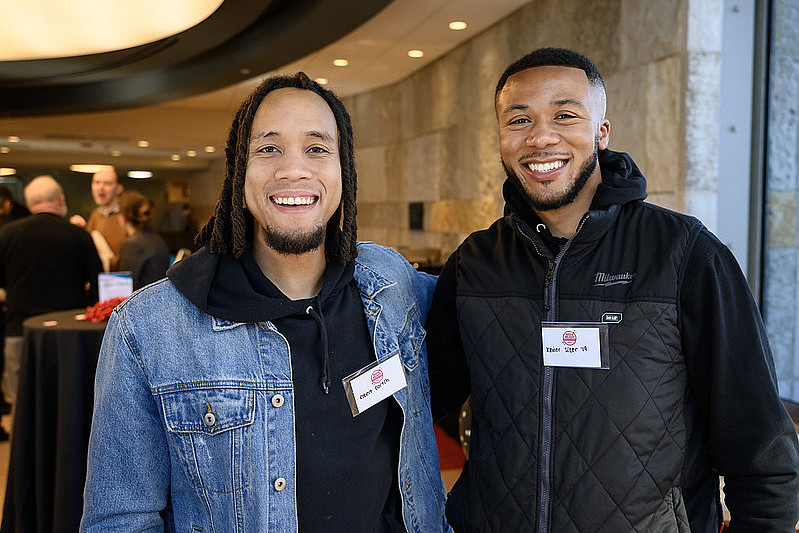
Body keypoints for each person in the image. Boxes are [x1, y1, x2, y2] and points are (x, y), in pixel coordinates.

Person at [425, 47, 799, 531]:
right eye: (519, 120)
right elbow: (420, 401)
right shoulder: (475, 264)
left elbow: (760, 444)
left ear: (601, 133)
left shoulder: (684, 254)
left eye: (564, 115)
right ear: (501, 138)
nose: (540, 137)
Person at [82, 72, 449, 532]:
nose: (293, 170)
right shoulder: (149, 329)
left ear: (344, 171)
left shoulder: (390, 283)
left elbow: (483, 323)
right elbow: (121, 520)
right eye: (269, 148)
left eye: (316, 149)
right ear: (239, 171)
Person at [0, 176, 102, 407]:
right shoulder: (78, 235)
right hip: (71, 337)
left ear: (29, 203)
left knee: (23, 406)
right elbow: (98, 285)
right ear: (61, 199)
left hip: (20, 331)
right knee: (70, 403)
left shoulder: (8, 234)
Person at [71, 167, 126, 271]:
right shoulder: (95, 215)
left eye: (107, 183)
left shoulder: (126, 216)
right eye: (97, 183)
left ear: (118, 188)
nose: (101, 187)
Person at [117, 190, 170, 290]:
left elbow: (124, 288)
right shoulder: (157, 239)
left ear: (123, 218)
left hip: (144, 299)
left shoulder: (132, 245)